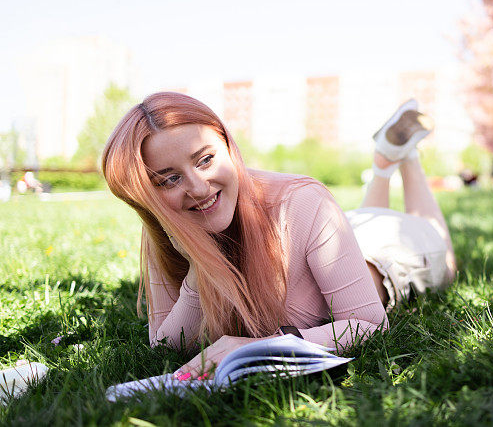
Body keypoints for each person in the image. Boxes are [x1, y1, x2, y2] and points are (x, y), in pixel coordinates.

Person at [101, 93, 456, 380]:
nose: (197, 187)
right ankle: (384, 164)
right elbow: (164, 349)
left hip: (388, 254)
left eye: (205, 159)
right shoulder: (169, 227)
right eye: (169, 179)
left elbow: (371, 325)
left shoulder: (301, 200)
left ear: (228, 146)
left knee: (437, 242)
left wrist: (260, 347)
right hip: (334, 237)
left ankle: (407, 159)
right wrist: (199, 266)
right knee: (358, 220)